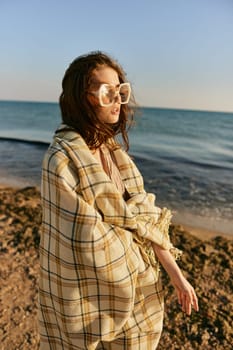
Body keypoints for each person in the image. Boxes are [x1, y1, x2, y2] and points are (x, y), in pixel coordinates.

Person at [39, 51, 199, 349]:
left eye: (120, 91)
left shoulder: (116, 155)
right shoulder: (60, 161)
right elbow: (81, 241)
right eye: (106, 92)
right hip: (84, 296)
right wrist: (130, 251)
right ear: (80, 97)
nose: (117, 100)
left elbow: (143, 222)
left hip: (139, 288)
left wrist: (177, 277)